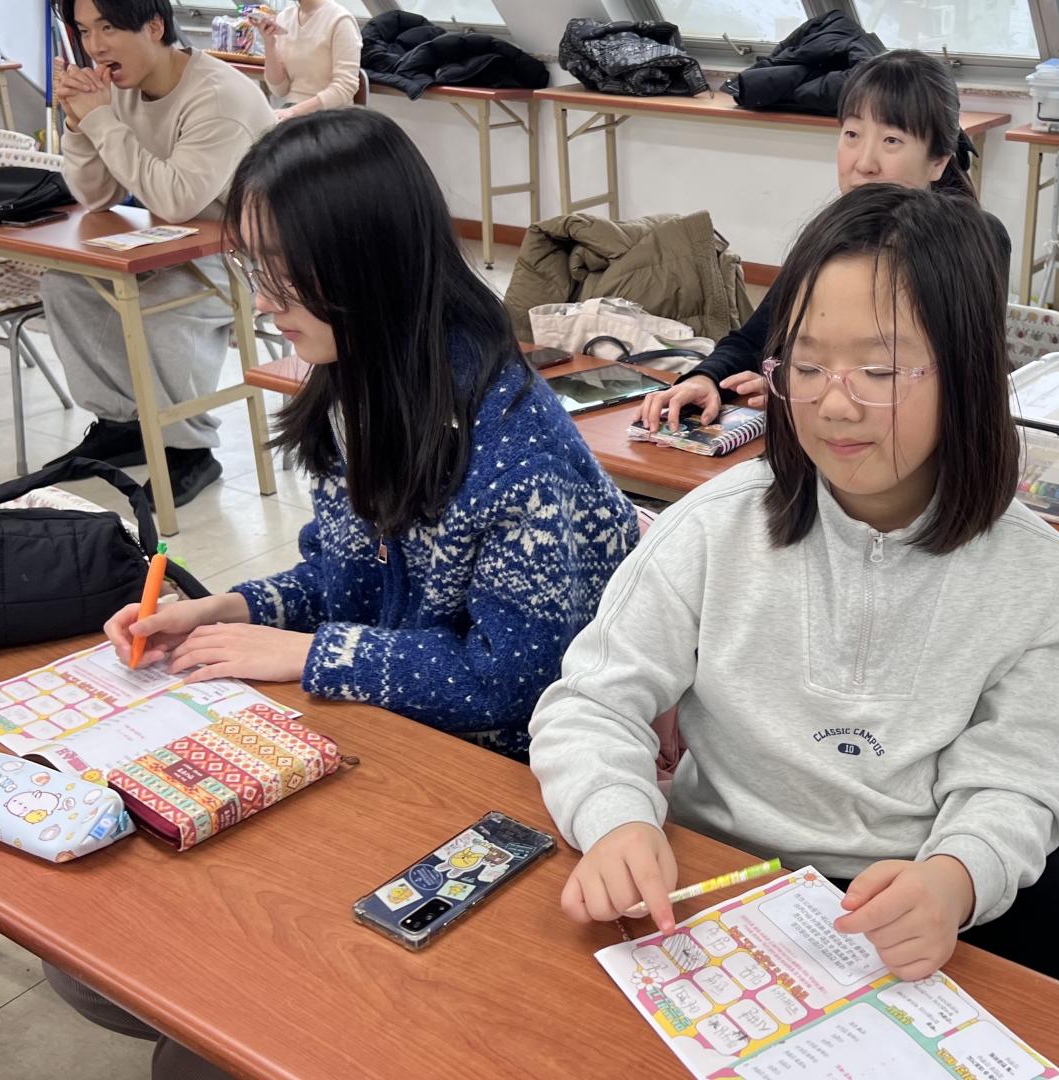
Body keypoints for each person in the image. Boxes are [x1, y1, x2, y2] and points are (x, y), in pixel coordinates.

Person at [529, 184, 1059, 1080]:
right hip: (729, 874)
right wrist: (617, 820)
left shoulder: (1036, 575)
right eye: (806, 364)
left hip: (957, 884)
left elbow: (1017, 784)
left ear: (966, 373)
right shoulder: (711, 529)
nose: (834, 404)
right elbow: (591, 703)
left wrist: (956, 878)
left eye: (879, 369)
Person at [55, 108, 639, 1080]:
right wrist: (230, 611)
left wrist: (315, 655)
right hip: (385, 731)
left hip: (498, 780)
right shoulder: (357, 383)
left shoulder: (520, 448)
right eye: (255, 268)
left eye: (284, 274)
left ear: (368, 263)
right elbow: (342, 577)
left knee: (229, 1008)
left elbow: (517, 686)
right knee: (115, 947)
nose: (264, 301)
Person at [635, 48, 1011, 430]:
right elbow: (753, 341)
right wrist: (705, 377)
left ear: (938, 161)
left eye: (892, 140)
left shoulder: (975, 241)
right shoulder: (832, 236)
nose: (864, 163)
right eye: (852, 135)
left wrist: (803, 387)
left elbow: (965, 380)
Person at [45, 0, 276, 506]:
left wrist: (101, 119)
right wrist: (79, 126)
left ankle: (189, 449)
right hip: (178, 243)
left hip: (257, 257)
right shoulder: (120, 89)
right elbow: (96, 196)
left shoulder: (218, 97)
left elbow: (175, 200)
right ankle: (123, 423)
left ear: (154, 26)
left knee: (161, 305)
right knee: (68, 283)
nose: (95, 46)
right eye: (85, 31)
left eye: (108, 27)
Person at [250, 0, 361, 121]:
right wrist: (269, 43)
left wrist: (293, 112)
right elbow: (279, 90)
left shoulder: (341, 20)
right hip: (293, 112)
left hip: (332, 117)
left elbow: (345, 86)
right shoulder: (284, 18)